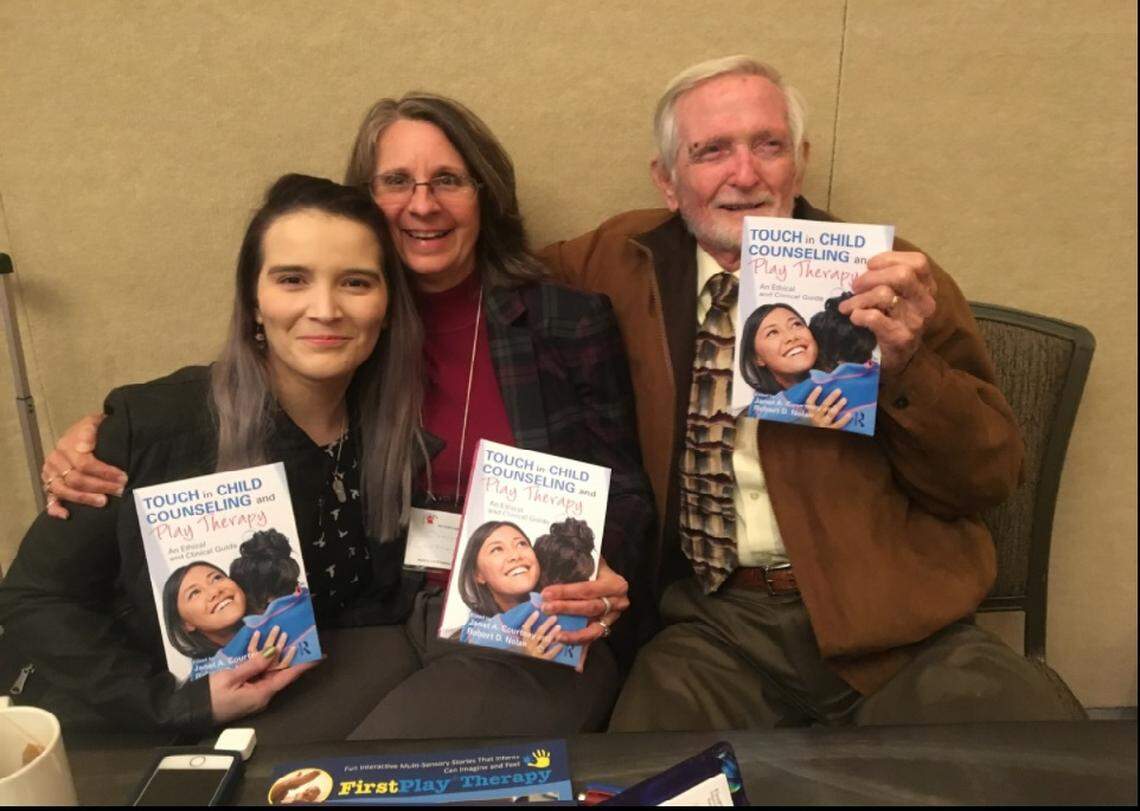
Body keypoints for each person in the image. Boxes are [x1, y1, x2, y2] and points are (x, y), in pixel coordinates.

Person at [39, 93, 655, 737]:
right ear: (366, 198)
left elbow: (628, 489)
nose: (423, 204)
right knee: (260, 763)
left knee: (368, 775)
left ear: (486, 195)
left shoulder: (564, 324)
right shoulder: (346, 338)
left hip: (526, 627)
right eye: (396, 181)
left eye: (448, 179)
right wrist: (109, 430)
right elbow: (237, 397)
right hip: (378, 622)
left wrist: (602, 572)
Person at [540, 55, 1083, 728]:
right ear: (668, 181)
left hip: (901, 624)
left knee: (1025, 755)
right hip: (713, 628)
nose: (744, 174)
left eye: (767, 146)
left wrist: (907, 365)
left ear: (798, 162)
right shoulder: (619, 261)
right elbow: (496, 277)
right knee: (650, 768)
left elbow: (989, 477)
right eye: (712, 151)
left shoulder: (889, 280)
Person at [0, 174, 423, 735]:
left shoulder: (389, 435)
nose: (325, 309)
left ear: (388, 306)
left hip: (292, 701)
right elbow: (34, 599)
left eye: (355, 282)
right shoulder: (153, 426)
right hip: (122, 720)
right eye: (292, 279)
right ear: (253, 300)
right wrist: (176, 705)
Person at [738, 299, 877, 429]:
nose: (792, 337)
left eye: (796, 324)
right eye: (772, 333)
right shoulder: (754, 418)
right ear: (757, 358)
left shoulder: (858, 376)